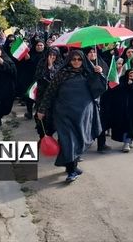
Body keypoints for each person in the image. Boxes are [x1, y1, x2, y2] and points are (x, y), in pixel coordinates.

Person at [37, 50, 105, 183]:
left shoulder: (88, 73)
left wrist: (99, 73)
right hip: (64, 114)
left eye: (79, 59)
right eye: (73, 59)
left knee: (79, 139)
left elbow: (100, 89)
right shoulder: (61, 74)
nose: (76, 62)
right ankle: (71, 170)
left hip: (83, 115)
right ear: (69, 60)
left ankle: (72, 165)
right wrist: (42, 109)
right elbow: (50, 93)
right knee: (68, 140)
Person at [109, 68, 133, 153]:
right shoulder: (123, 82)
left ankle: (131, 140)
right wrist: (127, 85)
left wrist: (132, 85)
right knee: (126, 126)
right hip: (124, 109)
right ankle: (126, 143)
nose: (132, 77)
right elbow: (119, 92)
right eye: (130, 76)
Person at [84, 47, 110, 152]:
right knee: (88, 122)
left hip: (101, 97)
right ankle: (86, 142)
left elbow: (107, 78)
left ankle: (101, 144)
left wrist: (101, 72)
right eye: (89, 52)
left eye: (93, 51)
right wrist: (92, 73)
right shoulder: (83, 65)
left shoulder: (101, 62)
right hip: (87, 98)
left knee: (100, 121)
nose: (92, 54)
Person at [33, 47, 63, 138]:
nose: (52, 57)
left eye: (54, 55)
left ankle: (49, 135)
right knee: (41, 117)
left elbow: (59, 79)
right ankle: (42, 137)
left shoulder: (60, 65)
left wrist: (51, 67)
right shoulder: (41, 64)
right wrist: (48, 67)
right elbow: (38, 77)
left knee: (53, 119)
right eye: (50, 55)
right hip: (42, 95)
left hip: (55, 96)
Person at [19, 40, 45, 119]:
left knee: (41, 96)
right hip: (30, 79)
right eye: (38, 45)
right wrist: (27, 60)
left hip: (42, 79)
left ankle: (39, 113)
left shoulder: (46, 55)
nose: (39, 47)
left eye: (41, 45)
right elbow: (22, 66)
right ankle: (29, 112)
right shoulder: (29, 54)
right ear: (35, 46)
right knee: (30, 96)